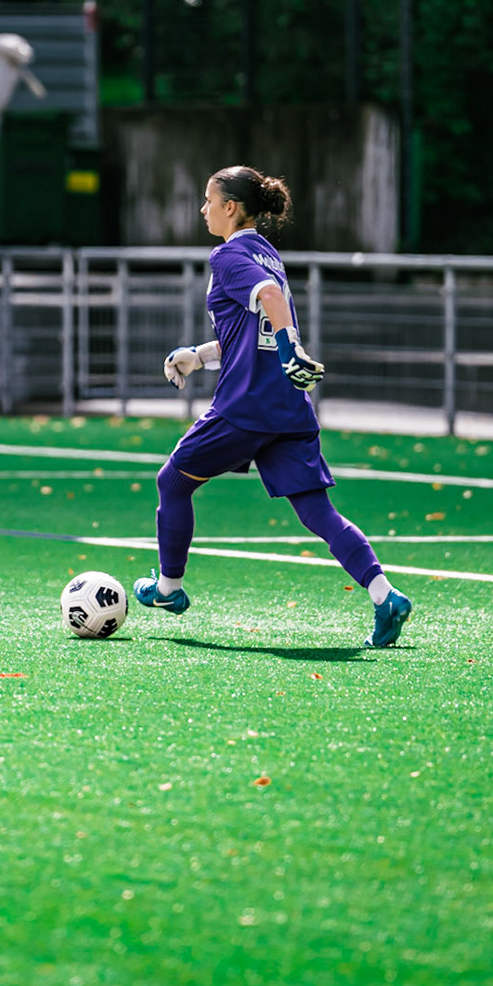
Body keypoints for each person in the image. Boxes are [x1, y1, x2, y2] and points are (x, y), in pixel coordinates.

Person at [133, 165, 415, 647]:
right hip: (289, 408)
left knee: (171, 482)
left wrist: (288, 350)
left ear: (231, 208)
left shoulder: (228, 256)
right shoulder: (268, 254)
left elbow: (264, 301)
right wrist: (199, 356)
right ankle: (384, 596)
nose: (203, 209)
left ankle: (168, 589)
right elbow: (251, 330)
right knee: (317, 511)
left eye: (208, 200)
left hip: (246, 408)